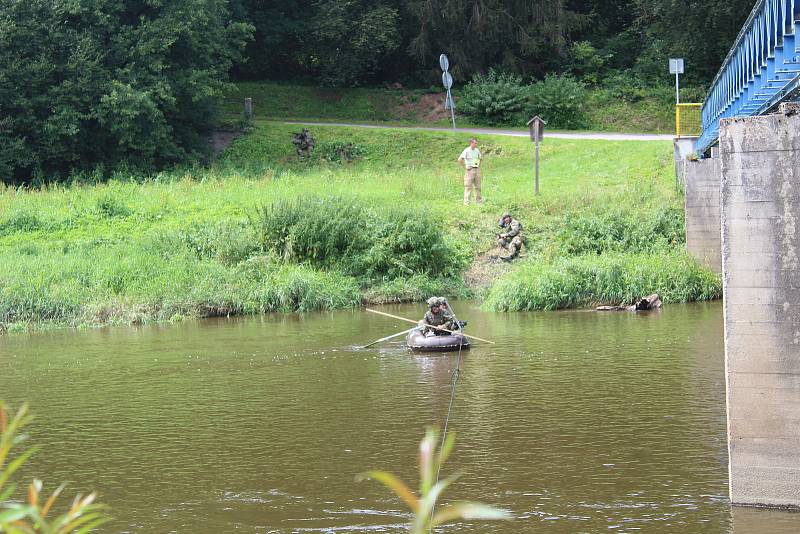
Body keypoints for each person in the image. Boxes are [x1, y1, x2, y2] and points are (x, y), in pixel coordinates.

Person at [458, 138, 482, 205]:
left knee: (478, 186)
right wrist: (465, 166)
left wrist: (479, 167)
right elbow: (460, 159)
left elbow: (480, 159)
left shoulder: (477, 150)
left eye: (477, 143)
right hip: (469, 170)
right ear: (471, 143)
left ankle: (479, 202)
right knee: (468, 186)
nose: (476, 144)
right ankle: (466, 203)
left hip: (476, 169)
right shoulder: (466, 150)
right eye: (475, 143)